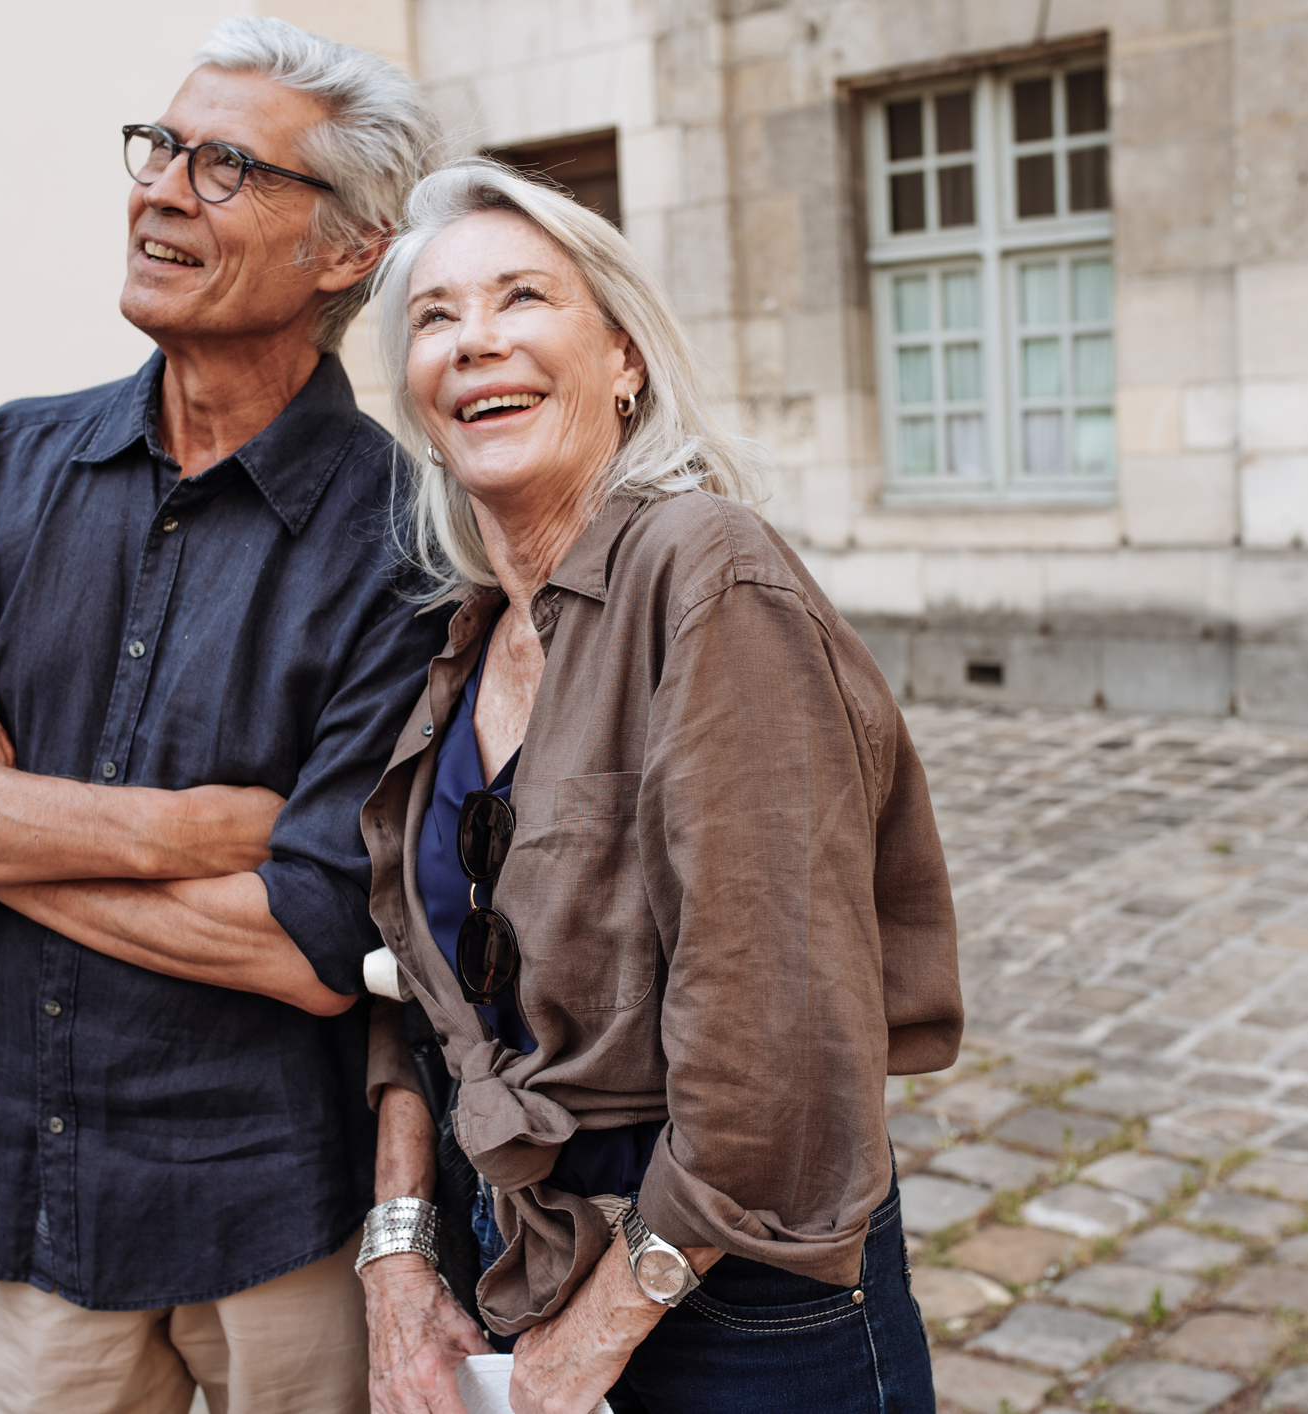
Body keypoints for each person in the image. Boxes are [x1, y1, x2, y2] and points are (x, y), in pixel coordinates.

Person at [0, 19, 443, 1414]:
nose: (159, 189)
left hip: (276, 1218)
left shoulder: (402, 543)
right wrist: (182, 831)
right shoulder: (3, 465)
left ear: (346, 249)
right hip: (34, 1194)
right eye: (158, 148)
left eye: (225, 167)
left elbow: (312, 940)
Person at [351, 161, 963, 1414]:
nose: (474, 342)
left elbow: (779, 1032)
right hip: (513, 1249)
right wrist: (401, 1247)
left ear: (623, 360)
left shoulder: (705, 574)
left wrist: (599, 1331)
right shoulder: (466, 638)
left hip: (732, 1291)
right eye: (433, 316)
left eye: (522, 298)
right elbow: (421, 995)